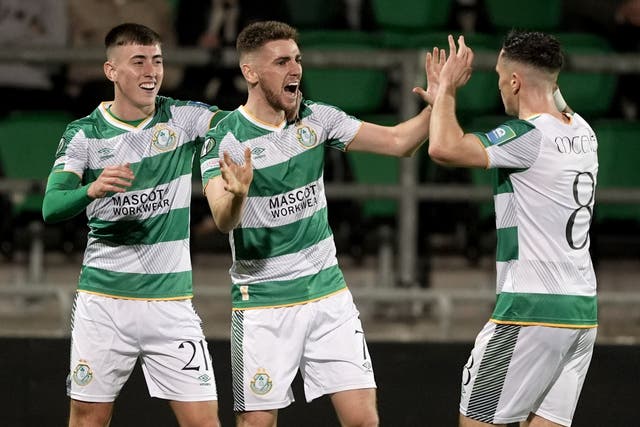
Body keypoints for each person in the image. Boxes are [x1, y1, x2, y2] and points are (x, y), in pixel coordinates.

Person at [200, 20, 436, 427]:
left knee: (364, 420)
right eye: (281, 62)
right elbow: (222, 219)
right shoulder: (226, 137)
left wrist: (442, 101)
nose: (295, 70)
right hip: (264, 304)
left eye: (297, 59)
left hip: (329, 296)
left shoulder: (318, 118)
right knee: (257, 423)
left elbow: (399, 142)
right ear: (250, 73)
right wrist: (238, 192)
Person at [42, 23, 226, 427]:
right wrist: (91, 190)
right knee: (88, 419)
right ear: (111, 71)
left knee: (204, 422)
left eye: (157, 61)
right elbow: (51, 207)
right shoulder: (84, 134)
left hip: (170, 303)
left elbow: (237, 124)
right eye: (138, 61)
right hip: (104, 302)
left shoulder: (183, 117)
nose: (151, 71)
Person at [427, 31, 598, 426]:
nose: (500, 84)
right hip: (582, 310)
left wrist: (447, 91)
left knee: (476, 421)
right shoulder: (584, 131)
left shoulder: (526, 137)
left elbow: (443, 148)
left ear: (515, 82)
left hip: (530, 308)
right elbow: (552, 94)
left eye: (501, 76)